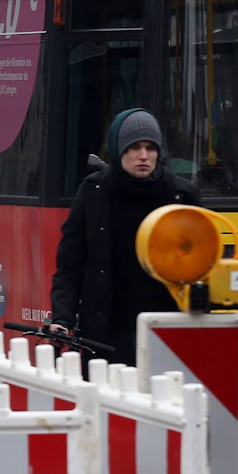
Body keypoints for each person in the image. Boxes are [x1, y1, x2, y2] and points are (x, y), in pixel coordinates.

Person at [48, 107, 198, 364]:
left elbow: (201, 265)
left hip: (165, 328)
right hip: (105, 332)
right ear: (118, 151)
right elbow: (70, 265)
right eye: (133, 147)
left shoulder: (182, 196)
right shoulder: (93, 192)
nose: (143, 156)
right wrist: (62, 318)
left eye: (151, 148)